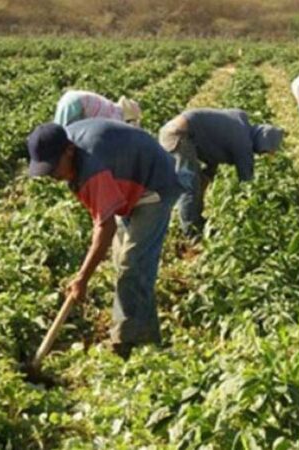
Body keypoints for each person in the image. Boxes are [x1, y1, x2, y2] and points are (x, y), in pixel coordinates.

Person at [26, 119, 184, 359]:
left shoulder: (92, 167)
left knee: (133, 264)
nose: (52, 176)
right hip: (129, 182)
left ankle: (134, 344)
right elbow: (102, 219)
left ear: (68, 151)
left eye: (53, 168)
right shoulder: (71, 150)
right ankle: (136, 328)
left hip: (155, 186)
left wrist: (82, 279)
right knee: (123, 262)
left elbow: (105, 228)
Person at [159, 108, 284, 238]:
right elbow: (247, 179)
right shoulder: (243, 141)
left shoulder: (239, 127)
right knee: (189, 184)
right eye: (264, 150)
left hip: (180, 133)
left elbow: (213, 148)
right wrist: (254, 205)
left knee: (199, 181)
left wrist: (207, 176)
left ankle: (196, 221)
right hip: (179, 135)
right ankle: (191, 232)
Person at [54, 90, 142, 127]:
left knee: (58, 129)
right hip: (76, 103)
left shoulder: (111, 107)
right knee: (63, 135)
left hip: (70, 97)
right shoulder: (116, 117)